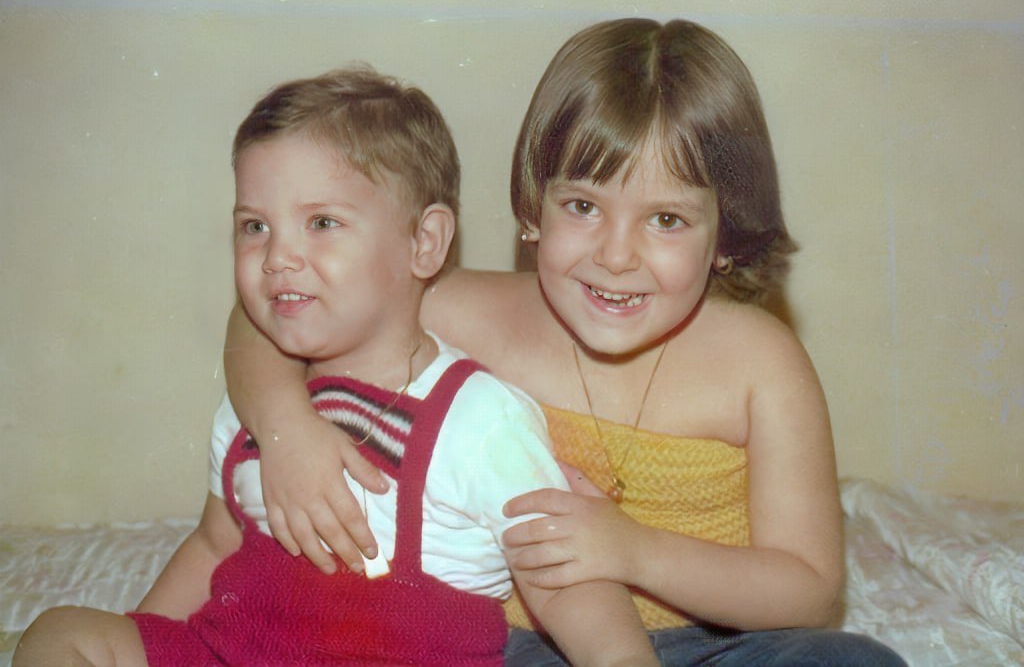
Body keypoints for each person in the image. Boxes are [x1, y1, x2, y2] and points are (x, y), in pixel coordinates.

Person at [219, 19, 908, 665]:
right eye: (582, 206)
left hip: (720, 646)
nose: (615, 255)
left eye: (666, 220)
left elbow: (809, 587)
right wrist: (285, 427)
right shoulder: (468, 311)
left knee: (856, 661)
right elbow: (266, 320)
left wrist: (633, 551)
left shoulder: (762, 363)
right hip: (522, 643)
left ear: (725, 234)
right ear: (533, 208)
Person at [13, 66, 658, 667]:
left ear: (424, 242)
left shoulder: (478, 418)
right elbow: (214, 542)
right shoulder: (256, 407)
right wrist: (147, 637)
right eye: (254, 226)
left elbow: (564, 581)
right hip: (232, 649)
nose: (277, 257)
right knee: (60, 634)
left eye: (321, 222)